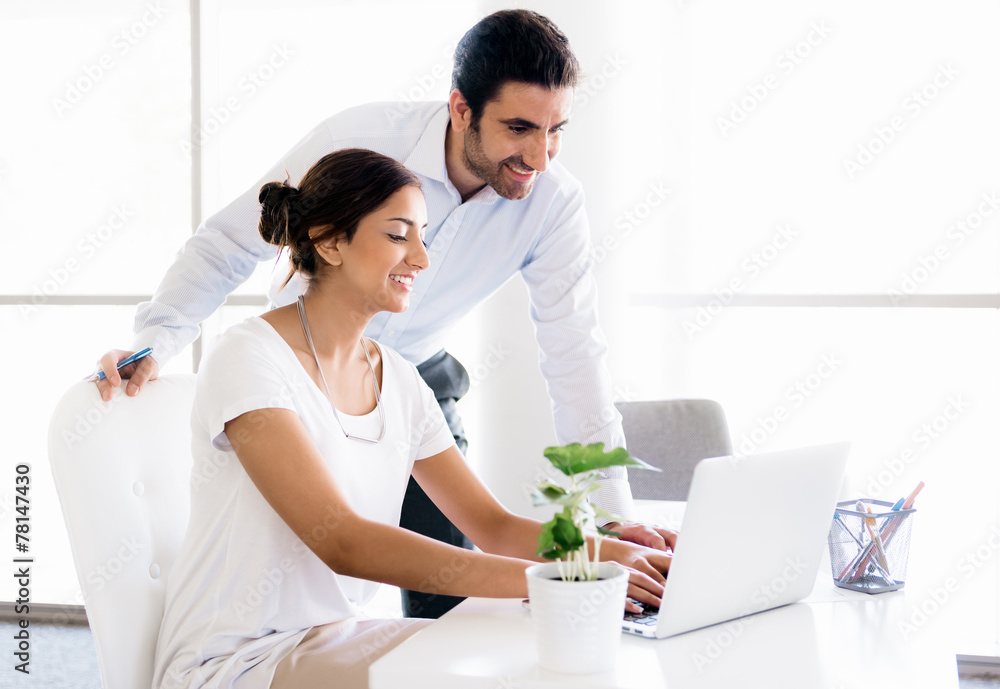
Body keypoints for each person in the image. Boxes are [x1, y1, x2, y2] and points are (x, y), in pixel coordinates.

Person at [94, 9, 676, 617]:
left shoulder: (553, 204)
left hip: (411, 375)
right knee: (285, 568)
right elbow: (229, 243)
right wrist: (158, 339)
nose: (541, 156)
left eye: (556, 130)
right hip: (297, 373)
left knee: (451, 600)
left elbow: (574, 356)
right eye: (519, 127)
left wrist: (610, 532)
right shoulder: (360, 141)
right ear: (461, 109)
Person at [152, 148, 671, 689]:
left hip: (335, 636)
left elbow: (493, 526)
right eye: (399, 235)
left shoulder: (399, 379)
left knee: (520, 655)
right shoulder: (249, 357)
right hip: (237, 659)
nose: (421, 259)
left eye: (422, 236)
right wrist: (559, 579)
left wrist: (616, 555)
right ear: (329, 241)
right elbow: (343, 542)